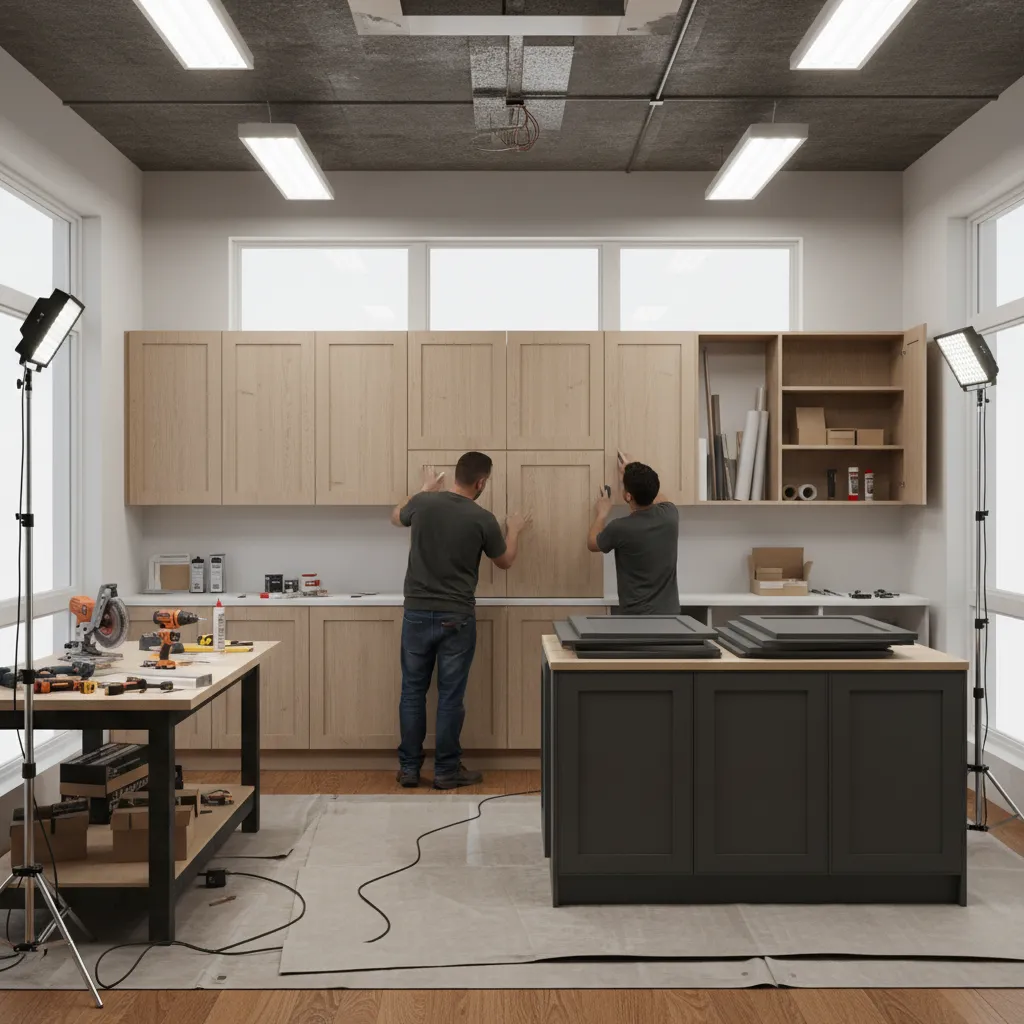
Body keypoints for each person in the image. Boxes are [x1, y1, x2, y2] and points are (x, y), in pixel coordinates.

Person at [391, 451, 531, 789]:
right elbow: (506, 561)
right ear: (481, 482)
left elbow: (396, 516)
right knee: (450, 696)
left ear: (456, 475)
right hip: (457, 616)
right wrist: (513, 530)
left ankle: (409, 770)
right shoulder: (482, 518)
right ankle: (446, 771)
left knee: (412, 692)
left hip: (417, 613)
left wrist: (422, 489)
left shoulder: (424, 503)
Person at [587, 451, 679, 615]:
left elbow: (592, 543)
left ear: (628, 496)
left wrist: (602, 513)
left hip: (636, 618)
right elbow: (660, 497)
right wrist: (634, 472)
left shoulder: (620, 528)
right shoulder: (670, 515)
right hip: (670, 615)